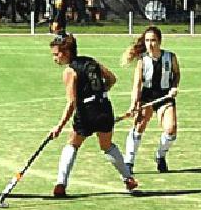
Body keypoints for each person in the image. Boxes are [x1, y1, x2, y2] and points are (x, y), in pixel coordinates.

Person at [48, 32, 137, 197]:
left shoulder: (69, 71)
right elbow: (111, 79)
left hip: (86, 111)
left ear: (66, 52)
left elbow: (71, 103)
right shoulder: (91, 61)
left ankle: (61, 183)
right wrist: (100, 93)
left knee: (73, 144)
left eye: (56, 54)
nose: (54, 58)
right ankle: (128, 178)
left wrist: (59, 127)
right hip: (104, 108)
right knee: (107, 146)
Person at [121, 25, 180, 174]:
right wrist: (134, 104)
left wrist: (174, 87)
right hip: (147, 97)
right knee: (138, 127)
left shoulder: (170, 57)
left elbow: (177, 74)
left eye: (153, 40)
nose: (150, 44)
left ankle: (160, 156)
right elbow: (137, 84)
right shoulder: (142, 60)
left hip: (165, 97)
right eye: (147, 40)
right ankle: (129, 161)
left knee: (171, 130)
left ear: (159, 41)